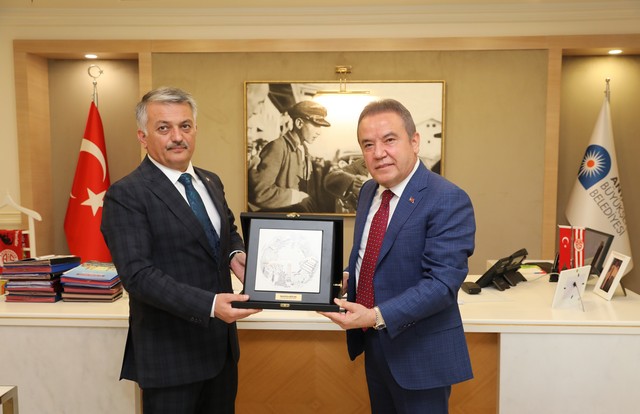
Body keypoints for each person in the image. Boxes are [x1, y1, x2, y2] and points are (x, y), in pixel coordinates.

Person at [101, 87, 261, 414]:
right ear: (143, 137)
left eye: (185, 126)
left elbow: (227, 232)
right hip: (170, 359)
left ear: (195, 130)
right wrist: (210, 304)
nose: (177, 136)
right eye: (164, 128)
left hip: (221, 353)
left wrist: (235, 255)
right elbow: (138, 275)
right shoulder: (127, 194)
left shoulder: (211, 182)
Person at [320, 99, 476, 413]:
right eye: (368, 144)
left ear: (414, 141)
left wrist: (374, 316)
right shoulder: (369, 191)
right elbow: (369, 253)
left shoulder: (447, 198)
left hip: (420, 354)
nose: (378, 153)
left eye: (389, 140)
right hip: (375, 346)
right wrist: (349, 275)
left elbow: (441, 285)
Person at [248, 99, 331, 212]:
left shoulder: (304, 150)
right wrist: (297, 197)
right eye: (316, 125)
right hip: (280, 219)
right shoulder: (278, 147)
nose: (319, 132)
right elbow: (260, 193)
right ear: (299, 123)